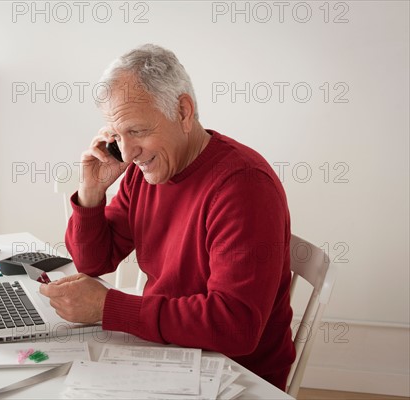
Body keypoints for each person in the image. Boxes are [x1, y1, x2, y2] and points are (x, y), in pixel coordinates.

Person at [39, 44, 296, 391]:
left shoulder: (243, 186)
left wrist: (108, 307)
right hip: (167, 354)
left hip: (234, 376)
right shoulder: (144, 172)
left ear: (183, 111)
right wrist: (91, 192)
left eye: (138, 131)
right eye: (117, 135)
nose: (127, 153)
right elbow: (93, 261)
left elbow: (234, 327)